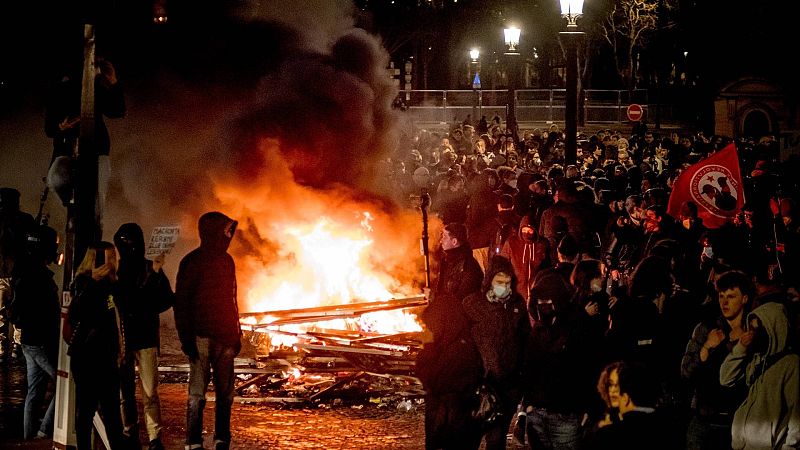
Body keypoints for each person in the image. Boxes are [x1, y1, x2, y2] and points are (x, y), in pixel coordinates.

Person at [175, 212, 242, 450]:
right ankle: (193, 442)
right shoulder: (191, 262)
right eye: (224, 231)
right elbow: (181, 303)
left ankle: (222, 439)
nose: (228, 236)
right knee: (197, 395)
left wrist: (237, 334)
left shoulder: (227, 261)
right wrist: (186, 339)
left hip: (225, 338)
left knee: (226, 394)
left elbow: (232, 299)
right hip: (200, 338)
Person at [416, 224, 484, 450]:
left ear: (456, 241)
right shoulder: (448, 261)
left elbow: (461, 304)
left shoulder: (469, 269)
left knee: (455, 429)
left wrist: (436, 298)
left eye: (445, 237)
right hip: (440, 374)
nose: (441, 240)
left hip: (456, 363)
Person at [114, 223, 175, 450]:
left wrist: (156, 276)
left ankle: (152, 437)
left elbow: (166, 299)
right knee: (129, 392)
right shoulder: (119, 271)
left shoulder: (149, 268)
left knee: (148, 392)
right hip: (126, 338)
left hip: (141, 338)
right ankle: (133, 433)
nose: (127, 246)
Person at [463, 255, 530, 450]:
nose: (505, 287)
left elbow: (525, 340)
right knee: (471, 437)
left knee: (496, 439)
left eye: (508, 282)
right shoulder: (472, 305)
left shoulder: (517, 305)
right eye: (500, 282)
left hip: (508, 385)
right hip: (480, 384)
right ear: (489, 281)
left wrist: (520, 377)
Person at [681, 270, 751, 450]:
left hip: (738, 419)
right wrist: (706, 348)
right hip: (705, 419)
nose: (725, 302)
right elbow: (686, 372)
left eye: (731, 296)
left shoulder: (753, 331)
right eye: (721, 296)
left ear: (744, 298)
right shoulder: (707, 329)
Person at [66, 241, 126, 450]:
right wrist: (92, 283)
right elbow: (77, 314)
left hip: (107, 356)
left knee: (111, 412)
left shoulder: (113, 283)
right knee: (87, 409)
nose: (113, 262)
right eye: (110, 258)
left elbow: (115, 316)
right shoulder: (83, 282)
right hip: (88, 356)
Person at [719, 302, 799, 449]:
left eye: (758, 328)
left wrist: (790, 447)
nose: (752, 334)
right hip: (742, 445)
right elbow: (725, 379)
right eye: (751, 328)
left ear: (773, 327)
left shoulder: (791, 364)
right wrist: (741, 348)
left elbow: (797, 415)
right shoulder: (756, 359)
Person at [10, 225, 60, 439]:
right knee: (66, 384)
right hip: (41, 340)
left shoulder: (24, 271)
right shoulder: (39, 277)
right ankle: (43, 431)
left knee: (34, 391)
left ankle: (28, 436)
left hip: (29, 340)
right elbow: (47, 311)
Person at [0, 187, 35, 362]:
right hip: (16, 272)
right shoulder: (24, 220)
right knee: (17, 312)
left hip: (13, 273)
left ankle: (10, 349)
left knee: (11, 313)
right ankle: (15, 348)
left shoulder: (21, 221)